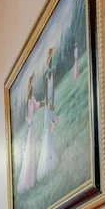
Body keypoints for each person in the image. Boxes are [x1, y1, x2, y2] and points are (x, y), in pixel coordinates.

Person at [17, 72, 42, 193]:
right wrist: (30, 82)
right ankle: (28, 181)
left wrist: (45, 103)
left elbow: (37, 105)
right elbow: (31, 100)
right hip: (31, 129)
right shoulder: (28, 102)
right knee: (30, 153)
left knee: (32, 153)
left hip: (32, 129)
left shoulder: (32, 101)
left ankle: (31, 179)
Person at [37, 47, 59, 180]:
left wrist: (53, 103)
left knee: (51, 131)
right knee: (48, 131)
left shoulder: (51, 74)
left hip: (51, 106)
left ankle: (51, 156)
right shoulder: (47, 75)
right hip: (48, 108)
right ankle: (47, 161)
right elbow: (46, 95)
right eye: (50, 58)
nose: (51, 61)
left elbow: (53, 92)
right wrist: (49, 104)